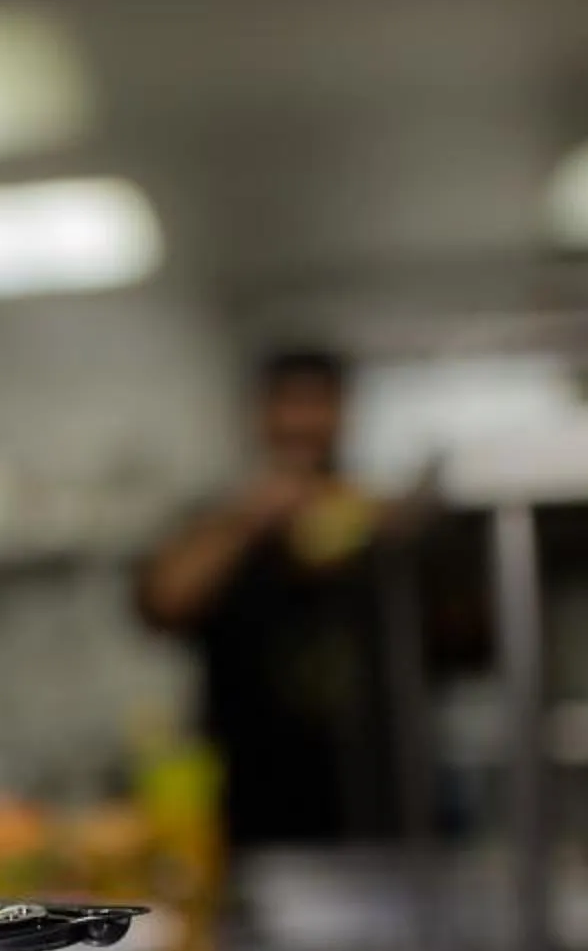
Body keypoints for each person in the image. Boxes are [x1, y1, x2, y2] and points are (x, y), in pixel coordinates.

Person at [136, 346, 403, 848]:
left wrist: (378, 530)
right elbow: (161, 605)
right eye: (288, 404)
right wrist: (247, 521)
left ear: (343, 412)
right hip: (252, 805)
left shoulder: (379, 519)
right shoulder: (219, 520)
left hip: (377, 800)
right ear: (259, 416)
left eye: (317, 404)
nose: (302, 422)